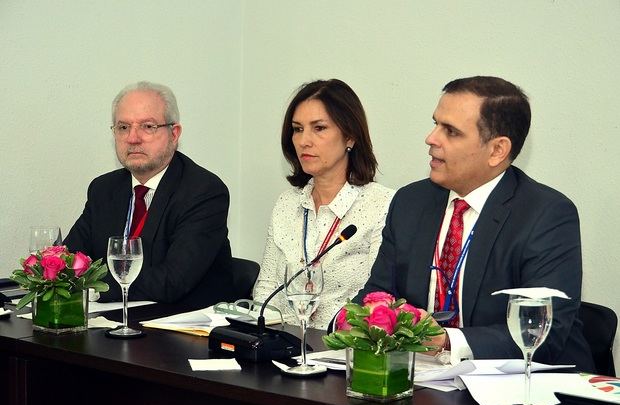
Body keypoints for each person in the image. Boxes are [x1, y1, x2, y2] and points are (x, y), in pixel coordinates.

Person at [355, 76, 595, 372]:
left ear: (497, 150)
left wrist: (446, 340)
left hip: (523, 386)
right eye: (435, 124)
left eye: (451, 132)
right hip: (423, 380)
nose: (431, 138)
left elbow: (542, 333)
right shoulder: (410, 202)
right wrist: (357, 319)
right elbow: (377, 294)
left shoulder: (546, 215)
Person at [64, 81, 236, 310]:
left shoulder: (203, 192)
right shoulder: (103, 189)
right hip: (110, 327)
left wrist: (93, 288)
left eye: (147, 126)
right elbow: (68, 261)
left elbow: (171, 281)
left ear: (174, 134)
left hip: (179, 331)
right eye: (123, 127)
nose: (133, 138)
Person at [253, 79, 395, 329]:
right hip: (280, 343)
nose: (304, 141)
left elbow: (377, 298)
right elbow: (265, 287)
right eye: (297, 129)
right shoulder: (287, 203)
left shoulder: (382, 205)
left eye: (319, 128)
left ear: (350, 136)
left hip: (341, 348)